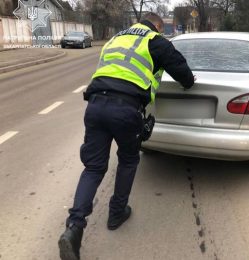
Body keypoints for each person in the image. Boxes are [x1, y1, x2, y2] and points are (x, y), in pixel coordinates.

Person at [58, 12, 194, 260]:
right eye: (161, 29)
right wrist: (189, 82)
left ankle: (74, 227)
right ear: (157, 26)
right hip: (125, 109)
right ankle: (116, 213)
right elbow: (181, 70)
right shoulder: (155, 40)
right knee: (129, 160)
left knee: (93, 168)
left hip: (96, 105)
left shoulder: (115, 38)